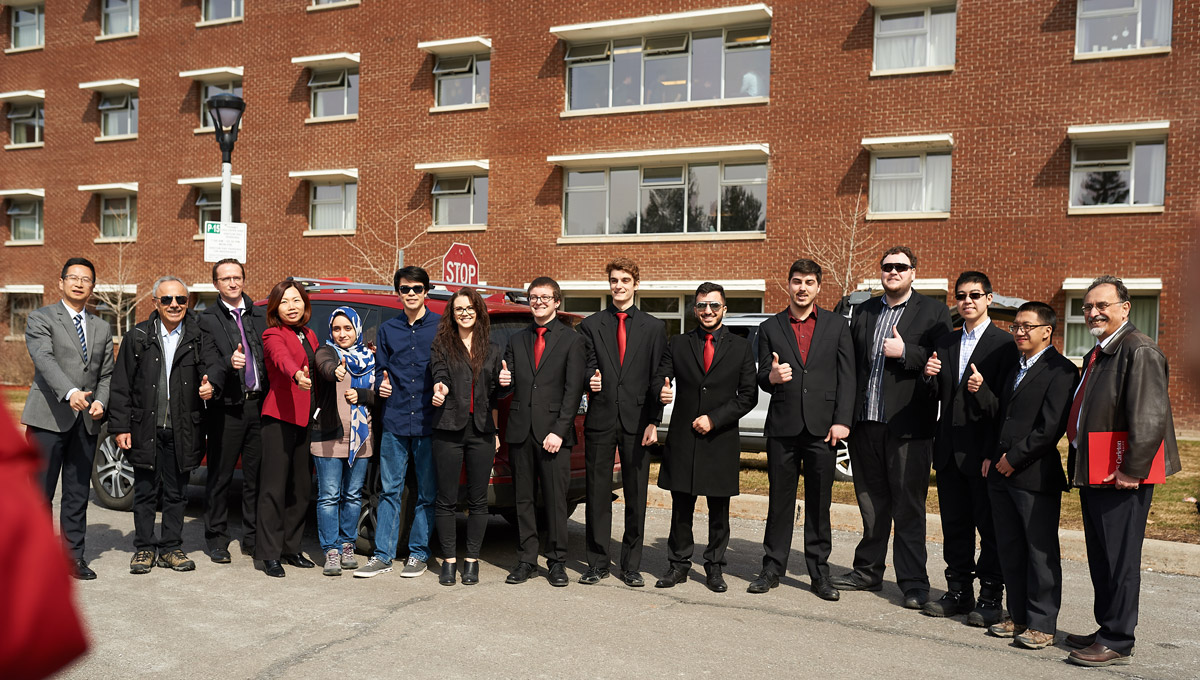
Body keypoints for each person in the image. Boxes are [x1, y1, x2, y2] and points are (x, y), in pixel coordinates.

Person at [1064, 275, 1182, 667]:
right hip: (1097, 470)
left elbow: (1150, 417)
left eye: (1102, 305)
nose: (1093, 312)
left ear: (1125, 308)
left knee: (1120, 559)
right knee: (1102, 557)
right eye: (1087, 307)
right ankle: (1106, 627)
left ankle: (1118, 639)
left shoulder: (1139, 350)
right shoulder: (1099, 351)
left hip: (1121, 476)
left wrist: (1132, 469)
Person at [832, 246, 951, 609]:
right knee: (870, 501)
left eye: (901, 267)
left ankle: (914, 582)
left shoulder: (934, 311)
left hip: (908, 426)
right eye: (887, 267)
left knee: (908, 506)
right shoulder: (864, 310)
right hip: (866, 423)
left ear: (914, 272)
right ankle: (867, 570)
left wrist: (908, 353)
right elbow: (850, 366)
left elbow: (944, 359)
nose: (893, 272)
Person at [747, 259, 853, 601]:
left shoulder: (837, 325)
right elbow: (762, 374)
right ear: (787, 285)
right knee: (779, 502)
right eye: (796, 281)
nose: (802, 287)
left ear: (819, 287)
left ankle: (820, 573)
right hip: (783, 427)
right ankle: (772, 568)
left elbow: (848, 377)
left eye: (809, 282)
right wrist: (771, 378)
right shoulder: (770, 327)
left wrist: (842, 420)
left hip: (824, 429)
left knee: (819, 504)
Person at [921, 272, 1019, 624]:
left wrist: (984, 393)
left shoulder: (1005, 345)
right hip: (948, 450)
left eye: (975, 295)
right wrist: (928, 376)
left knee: (989, 529)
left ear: (989, 299)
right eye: (961, 295)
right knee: (955, 526)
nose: (968, 301)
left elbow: (1007, 408)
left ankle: (991, 597)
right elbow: (937, 397)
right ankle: (958, 592)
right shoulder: (946, 342)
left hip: (983, 454)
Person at [983, 302, 1078, 650]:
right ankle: (1017, 615)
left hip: (1034, 476)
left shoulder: (1062, 370)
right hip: (1001, 474)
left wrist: (1014, 458)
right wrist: (993, 458)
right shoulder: (1014, 368)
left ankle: (1042, 623)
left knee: (1040, 553)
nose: (1019, 332)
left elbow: (1049, 428)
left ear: (1046, 331)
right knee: (1010, 548)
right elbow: (1003, 419)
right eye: (1016, 327)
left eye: (1026, 326)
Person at [655, 282, 758, 593]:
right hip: (684, 438)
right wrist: (660, 389)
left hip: (720, 439)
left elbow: (748, 396)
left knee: (718, 510)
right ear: (695, 309)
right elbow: (663, 374)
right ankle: (678, 565)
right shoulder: (678, 343)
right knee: (681, 507)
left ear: (724, 308)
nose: (708, 311)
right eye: (701, 306)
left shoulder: (740, 347)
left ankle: (714, 567)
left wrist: (714, 419)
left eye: (714, 305)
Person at [108, 276, 213, 574]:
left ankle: (170, 547)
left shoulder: (198, 336)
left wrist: (211, 383)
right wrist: (120, 427)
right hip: (144, 428)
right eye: (167, 300)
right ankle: (143, 547)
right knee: (144, 491)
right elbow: (121, 386)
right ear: (155, 303)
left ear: (187, 302)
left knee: (177, 493)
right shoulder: (138, 336)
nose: (174, 305)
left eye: (180, 299)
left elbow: (211, 369)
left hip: (182, 429)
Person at [22, 257, 114, 580]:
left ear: (93, 286)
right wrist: (70, 392)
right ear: (60, 283)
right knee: (40, 494)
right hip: (48, 417)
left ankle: (73, 557)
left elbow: (106, 373)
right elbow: (44, 360)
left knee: (76, 494)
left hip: (87, 422)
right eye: (72, 277)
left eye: (85, 279)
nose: (78, 283)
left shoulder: (102, 327)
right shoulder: (41, 318)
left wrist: (102, 400)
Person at [578, 258, 666, 588]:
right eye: (614, 280)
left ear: (636, 284)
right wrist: (591, 378)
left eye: (625, 280)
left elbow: (659, 376)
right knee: (597, 494)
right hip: (600, 421)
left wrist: (655, 420)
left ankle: (631, 565)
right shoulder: (590, 326)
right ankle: (597, 562)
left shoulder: (654, 328)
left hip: (639, 421)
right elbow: (584, 366)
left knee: (635, 496)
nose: (619, 285)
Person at [500, 277, 586, 587]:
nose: (539, 301)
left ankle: (557, 561)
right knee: (523, 500)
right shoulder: (516, 339)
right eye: (534, 297)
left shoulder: (571, 340)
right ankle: (526, 560)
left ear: (557, 301)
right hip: (522, 432)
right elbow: (504, 383)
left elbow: (573, 390)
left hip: (554, 435)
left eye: (545, 297)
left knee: (555, 501)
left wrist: (560, 431)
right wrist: (502, 382)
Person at [355, 267, 440, 579]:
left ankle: (418, 554)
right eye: (406, 289)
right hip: (395, 421)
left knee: (426, 493)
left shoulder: (440, 327)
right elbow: (380, 369)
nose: (412, 293)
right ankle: (383, 555)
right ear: (399, 293)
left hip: (429, 422)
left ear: (426, 291)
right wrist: (381, 382)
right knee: (390, 491)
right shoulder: (388, 329)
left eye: (417, 288)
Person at [430, 288, 504, 586]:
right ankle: (449, 560)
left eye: (470, 307)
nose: (465, 312)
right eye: (459, 308)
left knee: (478, 500)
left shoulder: (493, 348)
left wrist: (496, 430)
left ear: (479, 311)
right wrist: (440, 388)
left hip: (482, 431)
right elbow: (439, 375)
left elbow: (498, 396)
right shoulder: (442, 345)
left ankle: (471, 560)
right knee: (447, 499)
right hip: (448, 428)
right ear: (452, 312)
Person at [199, 258, 268, 563]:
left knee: (255, 477)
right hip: (226, 407)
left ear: (243, 279)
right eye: (225, 278)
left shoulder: (259, 314)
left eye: (237, 277)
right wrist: (228, 365)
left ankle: (251, 538)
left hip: (258, 406)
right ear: (216, 284)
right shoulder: (207, 319)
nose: (232, 282)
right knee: (220, 476)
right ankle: (216, 538)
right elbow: (207, 358)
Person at [311, 306, 385, 576]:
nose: (342, 334)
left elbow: (379, 396)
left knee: (353, 496)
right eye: (336, 328)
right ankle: (330, 550)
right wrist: (336, 372)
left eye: (347, 328)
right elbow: (324, 367)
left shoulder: (370, 358)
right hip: (329, 437)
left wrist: (362, 395)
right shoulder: (327, 352)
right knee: (329, 496)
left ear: (357, 330)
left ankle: (347, 545)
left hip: (361, 437)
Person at [256, 279, 319, 578]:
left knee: (301, 488)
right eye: (284, 302)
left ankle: (291, 548)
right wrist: (296, 375)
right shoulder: (272, 333)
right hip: (278, 419)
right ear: (275, 307)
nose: (291, 307)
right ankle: (269, 554)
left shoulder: (309, 334)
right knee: (273, 488)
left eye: (296, 301)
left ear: (304, 304)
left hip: (305, 419)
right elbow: (281, 360)